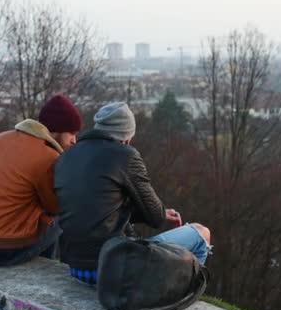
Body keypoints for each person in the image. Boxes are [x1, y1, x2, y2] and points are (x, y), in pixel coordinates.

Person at [55, 102, 211, 285]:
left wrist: (157, 212)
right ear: (126, 137)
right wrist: (161, 213)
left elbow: (98, 210)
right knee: (201, 233)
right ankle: (185, 294)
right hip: (112, 269)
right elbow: (155, 218)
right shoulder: (125, 155)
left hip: (78, 270)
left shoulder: (66, 157)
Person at [0, 95, 81, 266]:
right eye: (71, 133)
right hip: (4, 250)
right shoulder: (48, 156)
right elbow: (55, 206)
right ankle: (48, 274)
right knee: (63, 217)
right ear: (56, 130)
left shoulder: (0, 138)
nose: (74, 140)